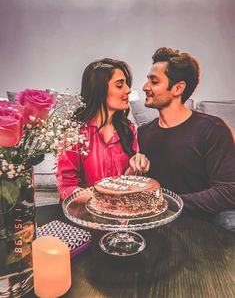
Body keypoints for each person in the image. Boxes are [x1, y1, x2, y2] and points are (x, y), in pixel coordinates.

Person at [138, 47, 235, 228]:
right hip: (155, 228)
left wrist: (167, 203)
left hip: (201, 229)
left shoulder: (212, 129)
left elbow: (229, 191)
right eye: (147, 80)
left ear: (178, 88)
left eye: (154, 81)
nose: (145, 87)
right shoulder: (143, 133)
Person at [56, 58, 149, 201]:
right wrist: (96, 200)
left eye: (126, 84)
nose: (128, 90)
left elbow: (129, 185)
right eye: (119, 85)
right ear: (99, 90)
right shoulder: (76, 132)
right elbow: (66, 187)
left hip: (121, 214)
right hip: (86, 216)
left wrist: (136, 167)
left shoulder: (129, 130)